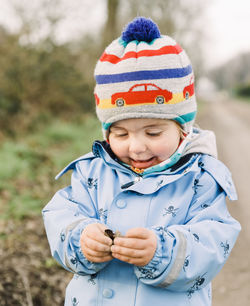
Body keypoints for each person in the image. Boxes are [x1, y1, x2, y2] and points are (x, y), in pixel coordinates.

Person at [42, 17, 241, 306]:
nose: (137, 146)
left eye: (153, 132)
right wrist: (81, 239)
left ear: (183, 129)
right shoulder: (90, 172)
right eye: (120, 133)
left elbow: (214, 240)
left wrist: (162, 252)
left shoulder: (201, 177)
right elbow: (60, 215)